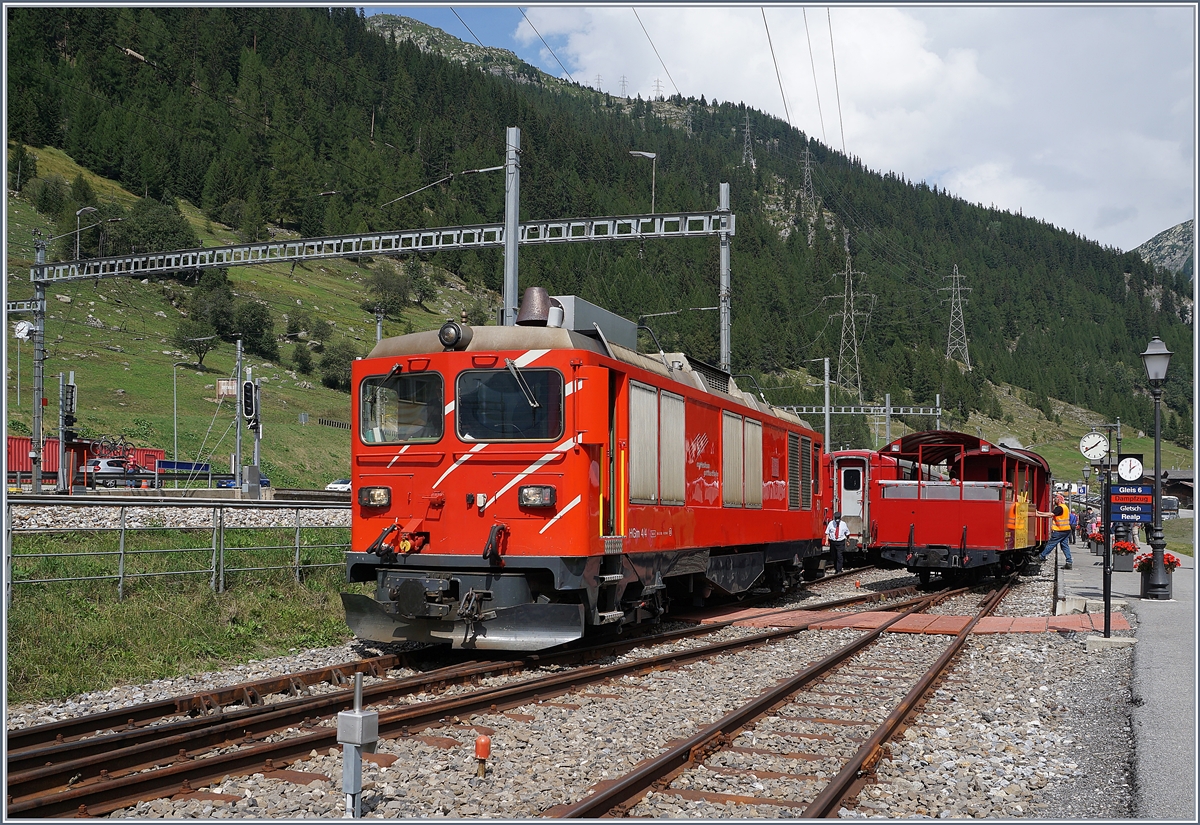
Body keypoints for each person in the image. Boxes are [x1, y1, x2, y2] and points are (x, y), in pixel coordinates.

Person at [1039, 493, 1074, 569]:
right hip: (1066, 530)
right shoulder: (1065, 507)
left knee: (1051, 544)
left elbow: (1050, 515)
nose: (1054, 500)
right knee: (1064, 546)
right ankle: (1069, 562)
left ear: (1059, 500)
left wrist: (1038, 514)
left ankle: (1041, 557)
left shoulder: (1059, 508)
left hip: (1060, 530)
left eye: (1055, 499)